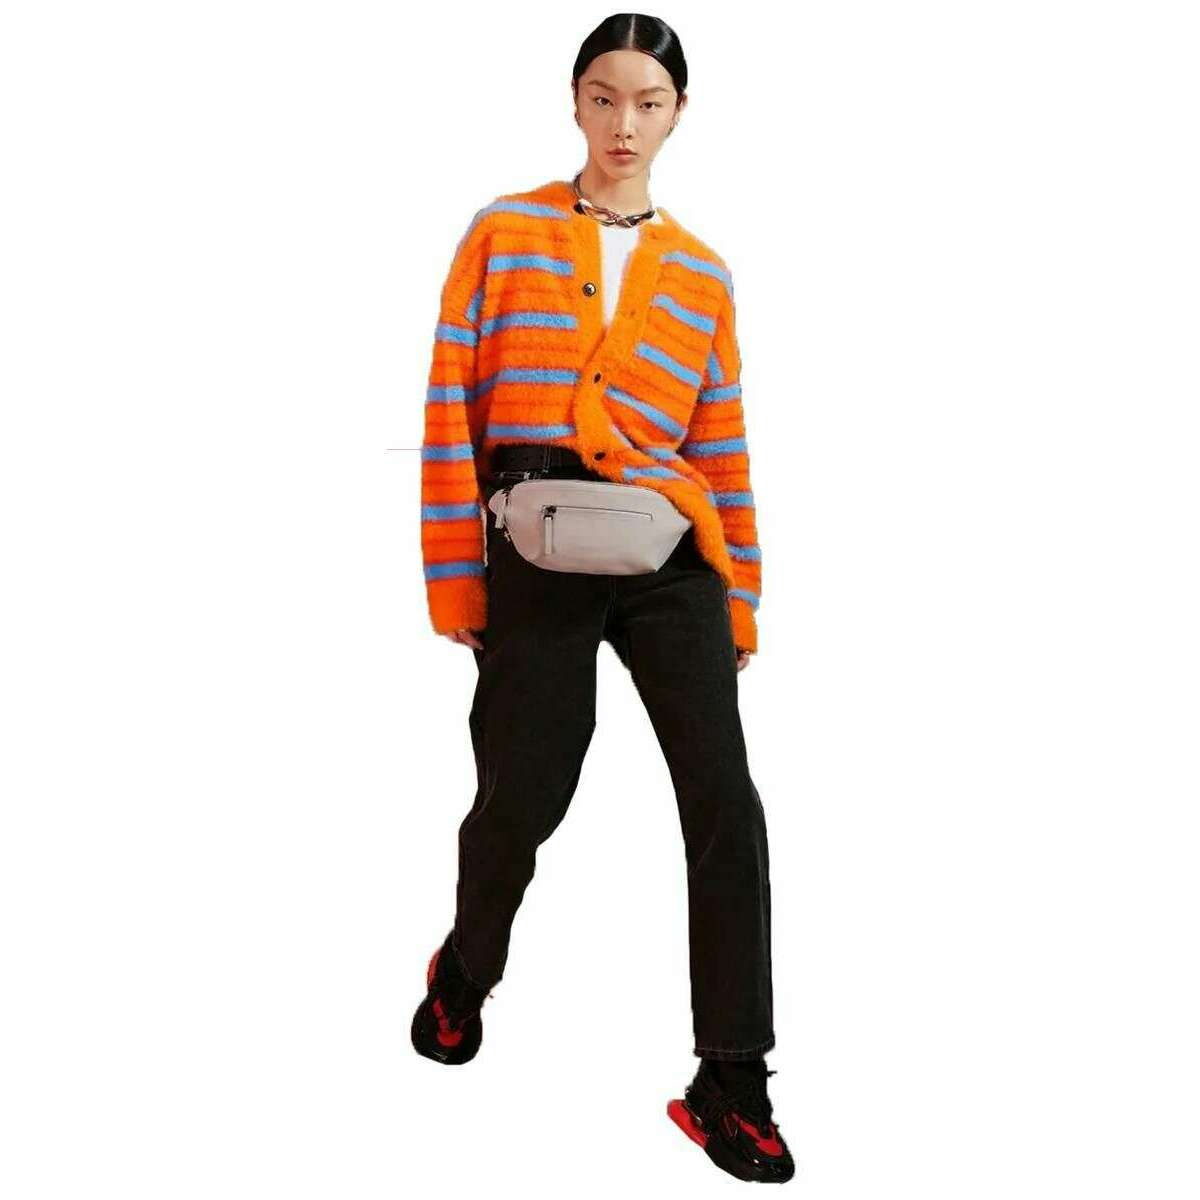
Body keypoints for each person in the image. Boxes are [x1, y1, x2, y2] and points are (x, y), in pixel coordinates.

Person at [410, 13, 793, 1184]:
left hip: (670, 554)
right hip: (535, 539)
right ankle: (466, 969)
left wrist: (739, 599)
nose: (625, 124)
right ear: (575, 100)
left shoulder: (703, 273)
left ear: (679, 114)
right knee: (526, 785)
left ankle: (732, 1075)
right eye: (604, 97)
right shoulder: (505, 231)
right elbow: (450, 404)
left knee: (726, 801)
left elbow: (719, 442)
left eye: (649, 102)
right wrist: (456, 578)